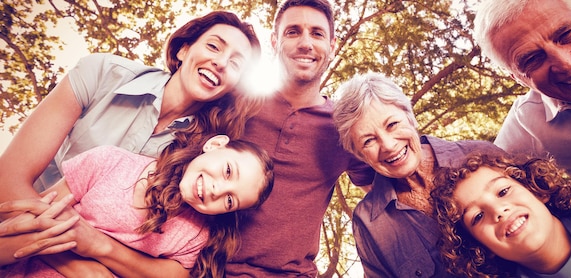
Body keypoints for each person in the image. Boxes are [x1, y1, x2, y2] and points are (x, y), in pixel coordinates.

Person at [0, 10, 263, 276]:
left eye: (236, 64)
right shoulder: (101, 73)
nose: (220, 62)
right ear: (183, 49)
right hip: (22, 229)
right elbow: (7, 181)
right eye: (213, 46)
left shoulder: (198, 162)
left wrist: (98, 252)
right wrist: (79, 265)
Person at [225, 0, 375, 276]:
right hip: (209, 268)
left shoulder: (344, 127)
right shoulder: (236, 103)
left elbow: (387, 195)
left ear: (332, 46)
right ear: (275, 41)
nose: (305, 43)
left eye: (317, 33)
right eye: (293, 31)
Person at [0, 133, 274, 277]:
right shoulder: (109, 162)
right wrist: (80, 262)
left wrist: (98, 246)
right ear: (215, 145)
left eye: (229, 200)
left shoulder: (195, 235)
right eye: (228, 171)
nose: (217, 190)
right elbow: (23, 230)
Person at [332, 72, 505, 277]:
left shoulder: (480, 156)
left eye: (392, 124)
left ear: (410, 117)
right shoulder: (369, 223)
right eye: (368, 141)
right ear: (359, 154)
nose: (388, 145)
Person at [473, 0, 571, 196]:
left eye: (566, 34)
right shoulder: (527, 125)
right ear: (517, 78)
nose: (567, 64)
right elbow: (481, 186)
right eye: (532, 59)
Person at [431, 152, 571, 277]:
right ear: (480, 248)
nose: (498, 211)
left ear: (537, 190)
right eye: (478, 216)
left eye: (503, 191)